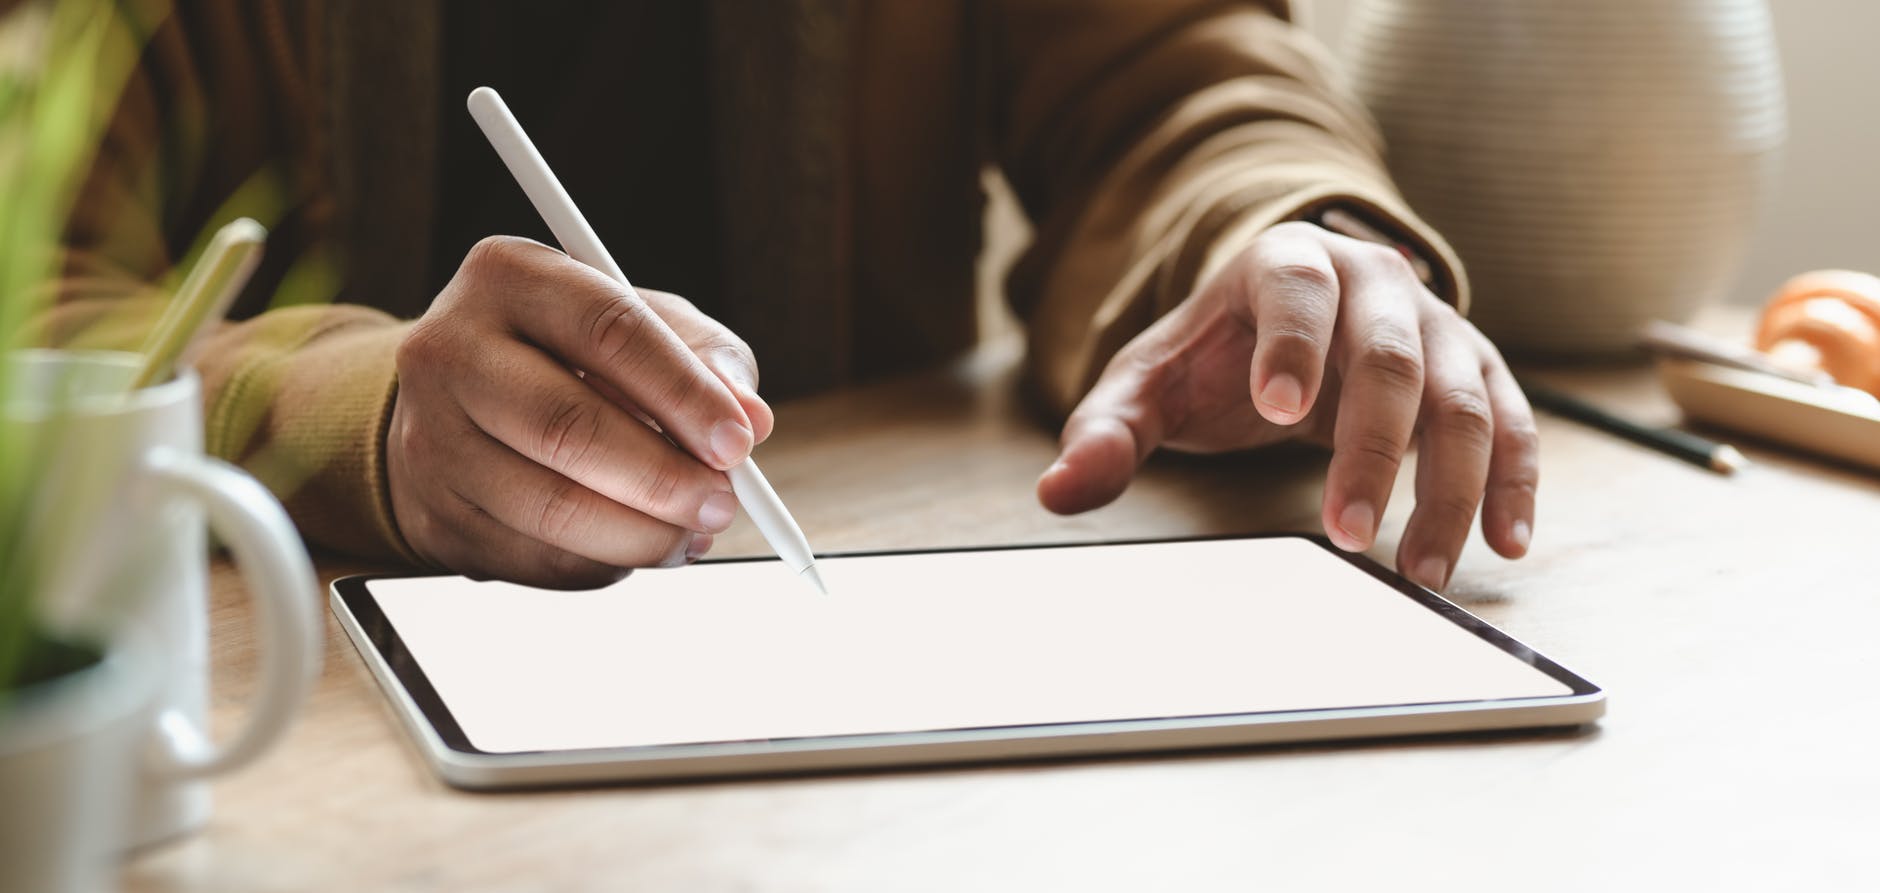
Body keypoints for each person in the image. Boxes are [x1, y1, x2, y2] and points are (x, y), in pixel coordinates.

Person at [49, 0, 1536, 593]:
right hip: (279, 688)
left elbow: (1179, 76)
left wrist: (1293, 236)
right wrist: (357, 418)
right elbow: (29, 285)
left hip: (846, 714)